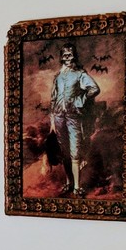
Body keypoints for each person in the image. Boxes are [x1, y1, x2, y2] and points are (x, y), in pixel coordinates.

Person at [49, 44, 101, 197]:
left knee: (75, 151)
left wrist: (80, 100)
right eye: (64, 54)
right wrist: (52, 119)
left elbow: (94, 89)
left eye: (70, 54)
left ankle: (77, 187)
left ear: (74, 56)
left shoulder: (80, 74)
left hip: (73, 117)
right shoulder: (58, 77)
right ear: (61, 57)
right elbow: (53, 99)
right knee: (64, 151)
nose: (67, 57)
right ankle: (68, 183)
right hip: (59, 117)